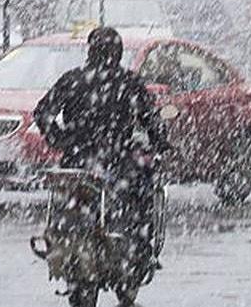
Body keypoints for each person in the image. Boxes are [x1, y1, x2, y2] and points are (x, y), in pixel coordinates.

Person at [33, 27, 169, 253]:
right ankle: (140, 246)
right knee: (143, 188)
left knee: (67, 191)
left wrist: (60, 138)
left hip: (77, 158)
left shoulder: (73, 80)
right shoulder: (128, 83)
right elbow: (150, 120)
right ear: (117, 52)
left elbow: (43, 113)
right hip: (117, 159)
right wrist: (159, 141)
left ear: (91, 50)